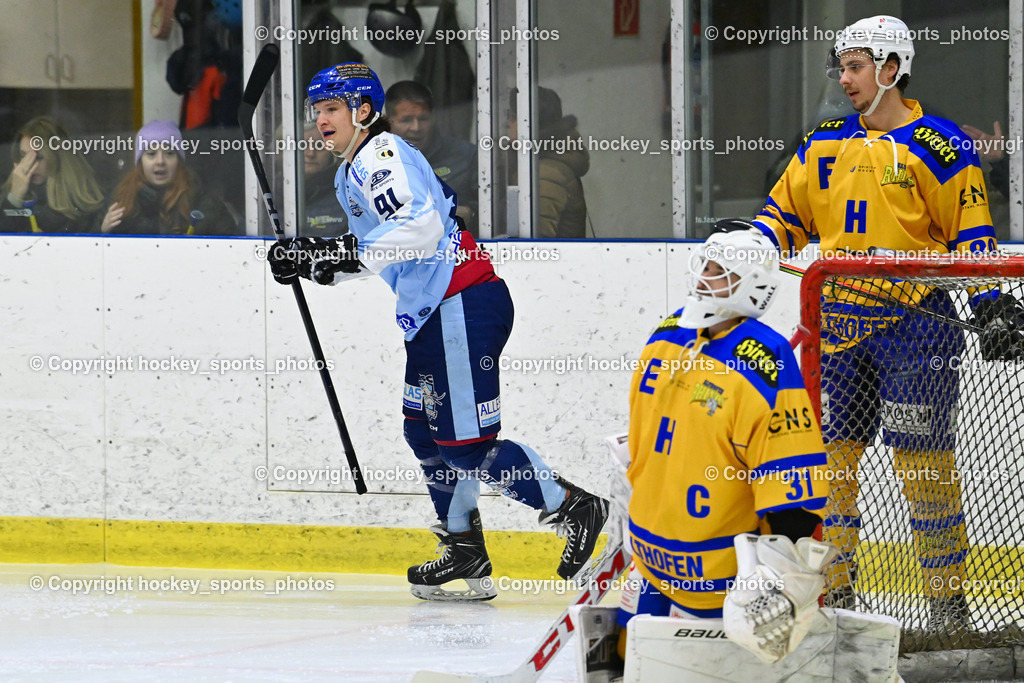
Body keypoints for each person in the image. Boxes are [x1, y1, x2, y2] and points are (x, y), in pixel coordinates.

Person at [267, 62, 609, 600]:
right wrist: (317, 264)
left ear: (362, 110)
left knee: (466, 446)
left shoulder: (381, 156)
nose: (321, 121)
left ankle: (573, 506)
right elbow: (384, 250)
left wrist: (333, 252)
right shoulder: (354, 168)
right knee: (424, 434)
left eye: (331, 109)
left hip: (460, 306)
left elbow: (421, 232)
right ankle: (465, 549)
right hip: (436, 312)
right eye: (316, 112)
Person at [748, 15, 1020, 628]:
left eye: (856, 66)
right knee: (831, 473)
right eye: (840, 67)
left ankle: (948, 608)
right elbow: (780, 218)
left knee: (924, 470)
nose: (844, 79)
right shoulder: (822, 143)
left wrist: (990, 305)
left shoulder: (942, 145)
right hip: (835, 329)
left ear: (892, 68)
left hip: (918, 328)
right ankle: (836, 599)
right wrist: (745, 245)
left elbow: (971, 239)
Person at [616, 227, 833, 664]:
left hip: (721, 578)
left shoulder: (767, 359)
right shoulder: (668, 331)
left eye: (720, 271)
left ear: (752, 285)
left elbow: (791, 479)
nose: (704, 276)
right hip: (649, 561)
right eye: (705, 264)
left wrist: (777, 576)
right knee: (623, 661)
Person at [99, 120, 237, 236]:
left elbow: (233, 250)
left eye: (169, 153)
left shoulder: (204, 201)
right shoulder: (118, 200)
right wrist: (102, 232)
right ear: (140, 162)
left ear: (179, 161)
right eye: (151, 154)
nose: (160, 161)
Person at [385, 80, 478, 235]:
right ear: (388, 121)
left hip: (456, 251)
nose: (416, 128)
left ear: (433, 117)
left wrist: (471, 212)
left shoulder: (466, 156)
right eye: (406, 120)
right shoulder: (372, 162)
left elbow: (497, 209)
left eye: (423, 119)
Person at [509, 87, 590, 238]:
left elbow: (536, 245)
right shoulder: (543, 164)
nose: (509, 123)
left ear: (530, 123)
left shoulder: (545, 173)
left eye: (513, 117)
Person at [0, 116, 105, 234]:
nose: (28, 165)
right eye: (24, 156)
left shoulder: (79, 206)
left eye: (38, 157)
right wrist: (14, 198)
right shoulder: (6, 196)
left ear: (58, 157)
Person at [300, 123, 348, 236]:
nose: (310, 153)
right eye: (302, 145)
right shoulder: (269, 190)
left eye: (320, 146)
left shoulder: (345, 194)